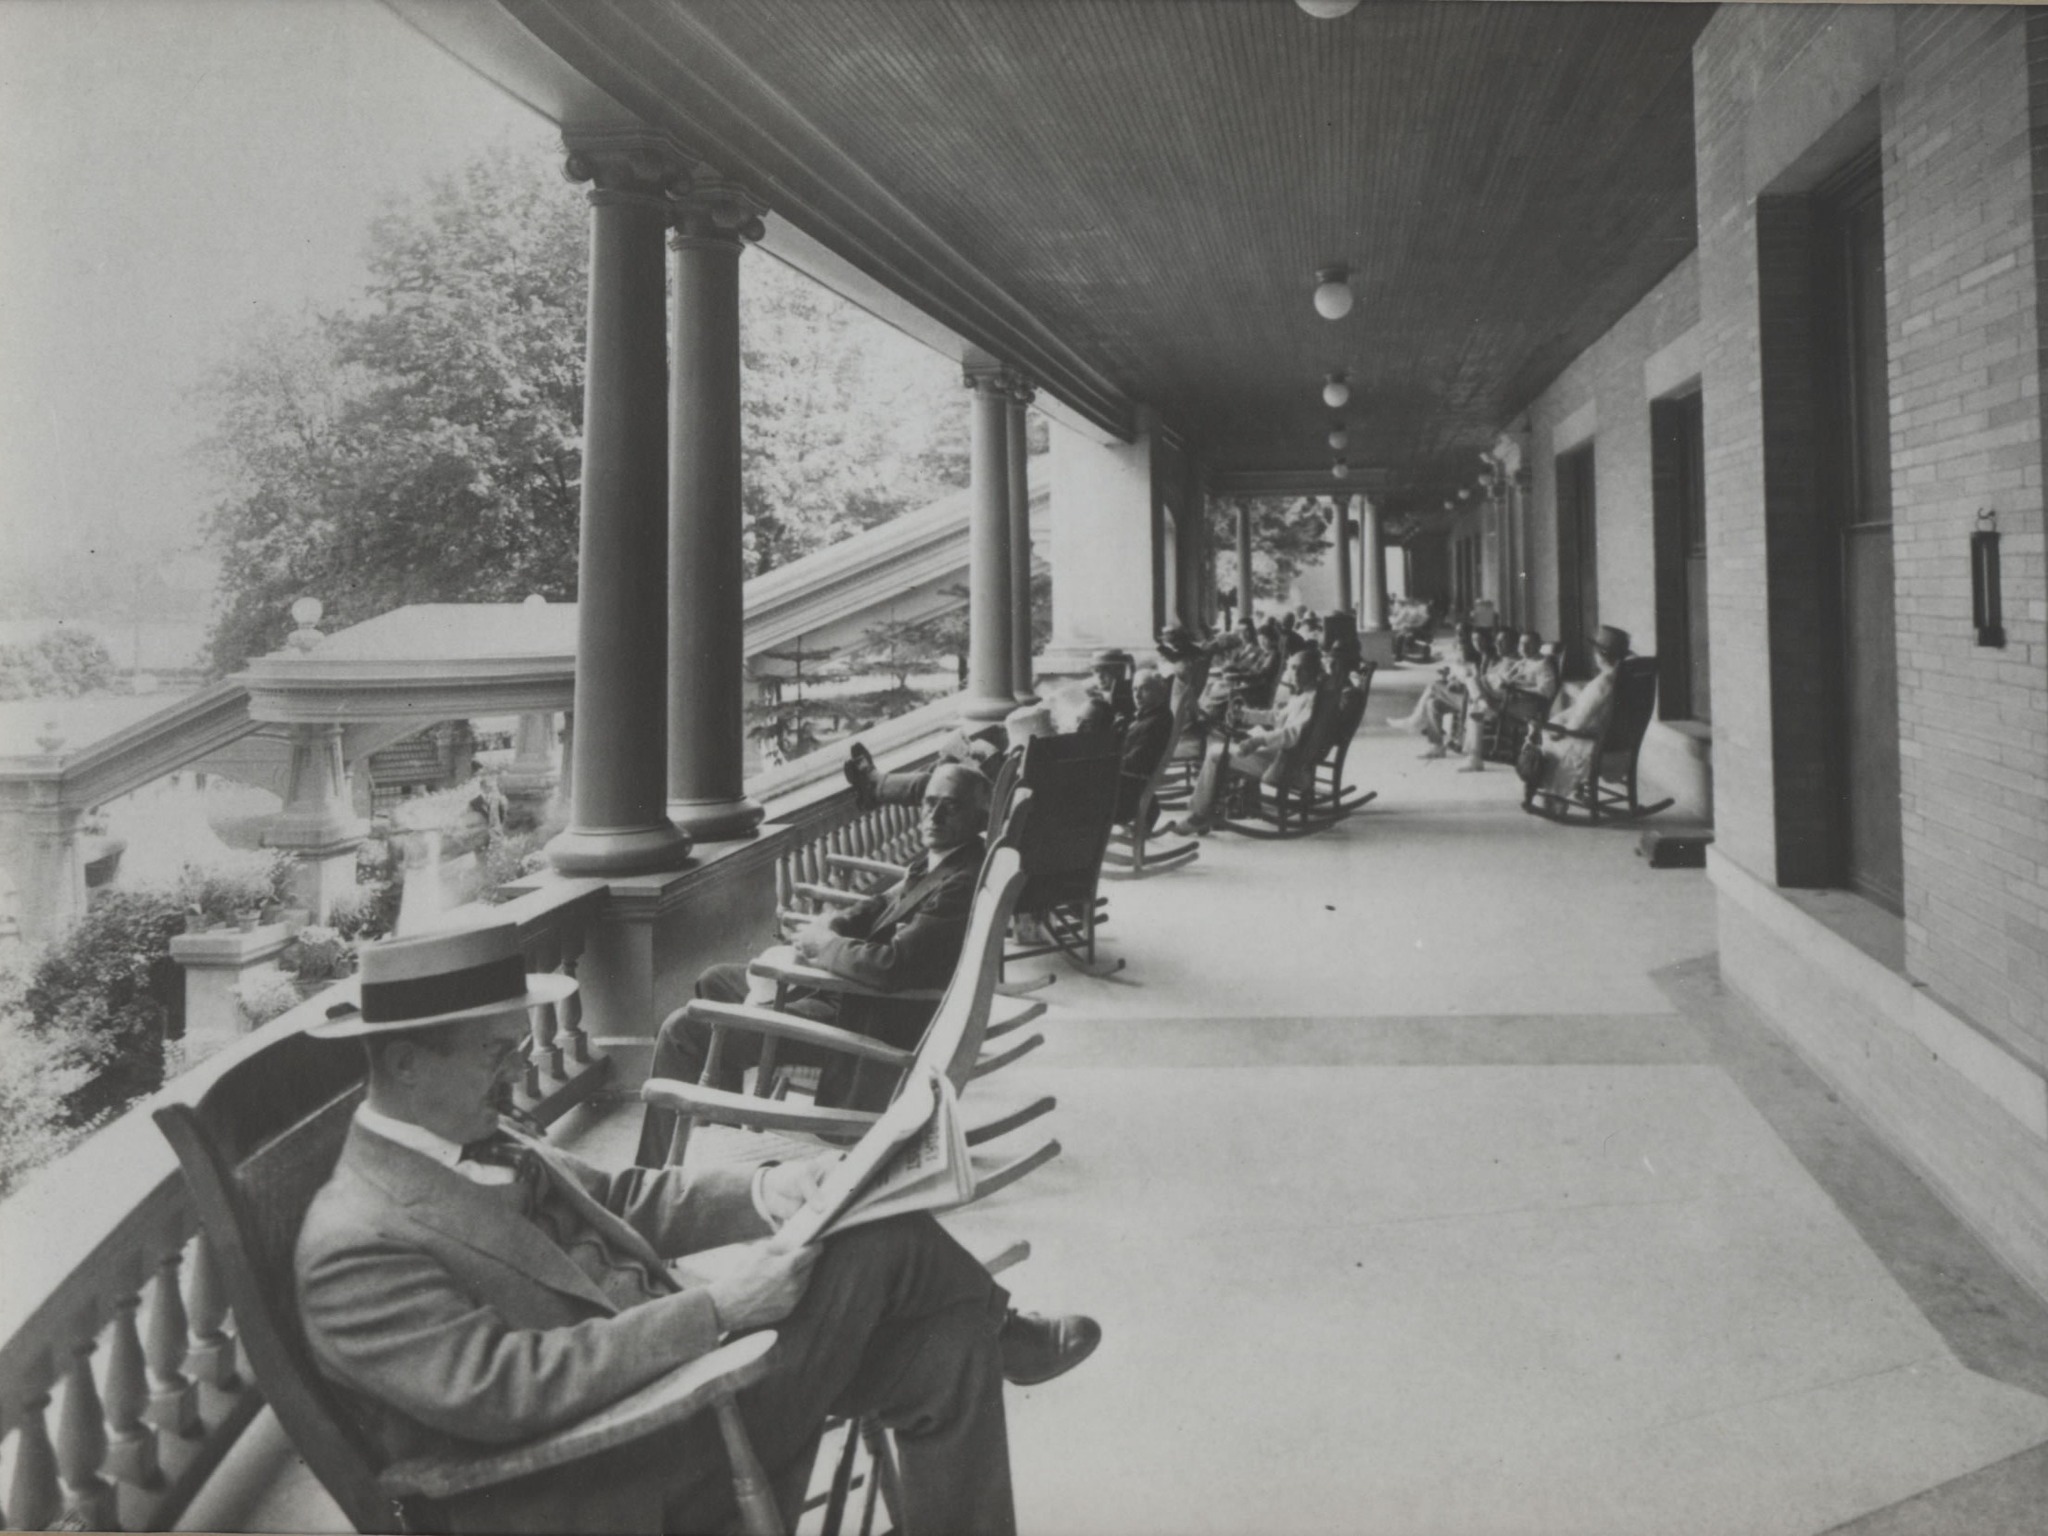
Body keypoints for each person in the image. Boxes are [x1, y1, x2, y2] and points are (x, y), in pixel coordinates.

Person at [296, 921, 1098, 1536]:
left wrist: (767, 1189)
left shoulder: (476, 1132)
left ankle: (990, 1333)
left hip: (688, 1389)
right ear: (405, 1065)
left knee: (946, 1350)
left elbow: (621, 1195)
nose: (516, 1070)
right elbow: (506, 1390)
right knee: (878, 1242)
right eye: (497, 1052)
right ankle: (1010, 1333)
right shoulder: (355, 1244)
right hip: (616, 1461)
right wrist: (717, 1312)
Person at [637, 763, 993, 1162]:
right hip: (851, 998)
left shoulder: (961, 882)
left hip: (864, 1026)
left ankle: (651, 1177)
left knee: (683, 1030)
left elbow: (890, 966)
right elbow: (879, 905)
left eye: (951, 807)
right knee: (715, 980)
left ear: (980, 818)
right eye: (929, 803)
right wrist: (832, 924)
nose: (934, 816)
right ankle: (723, 1137)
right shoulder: (945, 860)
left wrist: (823, 945)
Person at [1168, 644, 1326, 834]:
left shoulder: (1312, 701)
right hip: (1280, 757)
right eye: (1292, 668)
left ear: (1314, 671)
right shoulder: (1307, 695)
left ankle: (1199, 815)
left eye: (1301, 669)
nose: (1295, 674)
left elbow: (1292, 733)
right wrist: (1245, 715)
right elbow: (1277, 717)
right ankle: (1217, 808)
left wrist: (1257, 741)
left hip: (1282, 767)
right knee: (1226, 744)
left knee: (1215, 754)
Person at [1520, 624, 1630, 810]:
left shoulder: (1602, 684)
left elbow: (1575, 727)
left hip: (1594, 749)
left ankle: (1554, 797)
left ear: (1600, 654)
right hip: (1621, 749)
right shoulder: (1623, 680)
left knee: (1547, 741)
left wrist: (1552, 730)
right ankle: (1566, 790)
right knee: (1550, 729)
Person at [1116, 667, 1177, 825]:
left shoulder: (1158, 722)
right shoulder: (1148, 717)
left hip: (1126, 799)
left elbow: (1137, 761)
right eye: (1135, 689)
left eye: (1144, 689)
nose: (1137, 695)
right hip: (1126, 787)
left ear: (1160, 692)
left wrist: (1103, 762)